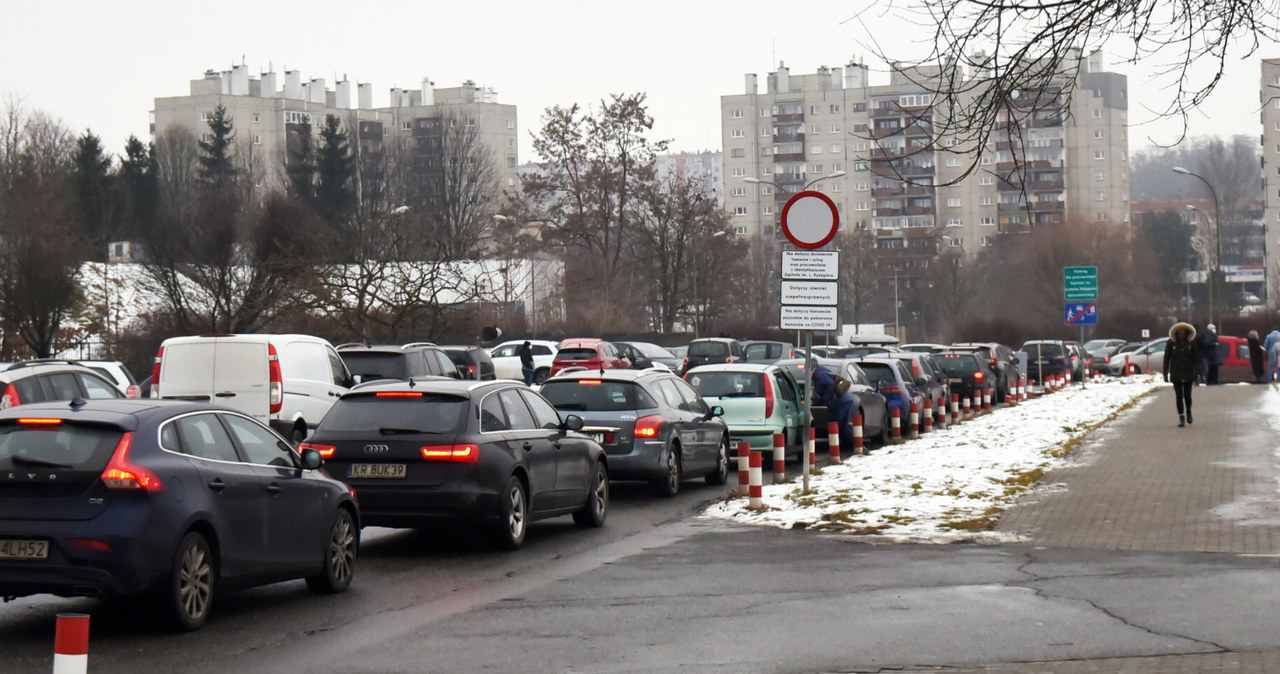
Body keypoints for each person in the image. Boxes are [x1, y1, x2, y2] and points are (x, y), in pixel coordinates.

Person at [811, 363, 858, 456]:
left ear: (811, 369)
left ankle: (837, 451)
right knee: (843, 427)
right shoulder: (823, 371)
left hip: (839, 403)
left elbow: (830, 384)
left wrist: (826, 400)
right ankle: (854, 446)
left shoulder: (819, 375)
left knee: (834, 426)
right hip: (846, 400)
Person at [1163, 321, 1199, 427]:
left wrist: (1197, 372)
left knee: (1187, 396)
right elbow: (1167, 359)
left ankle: (1188, 411)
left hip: (1188, 372)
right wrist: (1165, 373)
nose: (1182, 332)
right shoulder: (1171, 343)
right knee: (1179, 396)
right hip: (1176, 372)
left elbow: (1196, 358)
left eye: (1183, 330)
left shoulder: (1191, 343)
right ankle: (1181, 416)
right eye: (1180, 330)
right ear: (1177, 331)